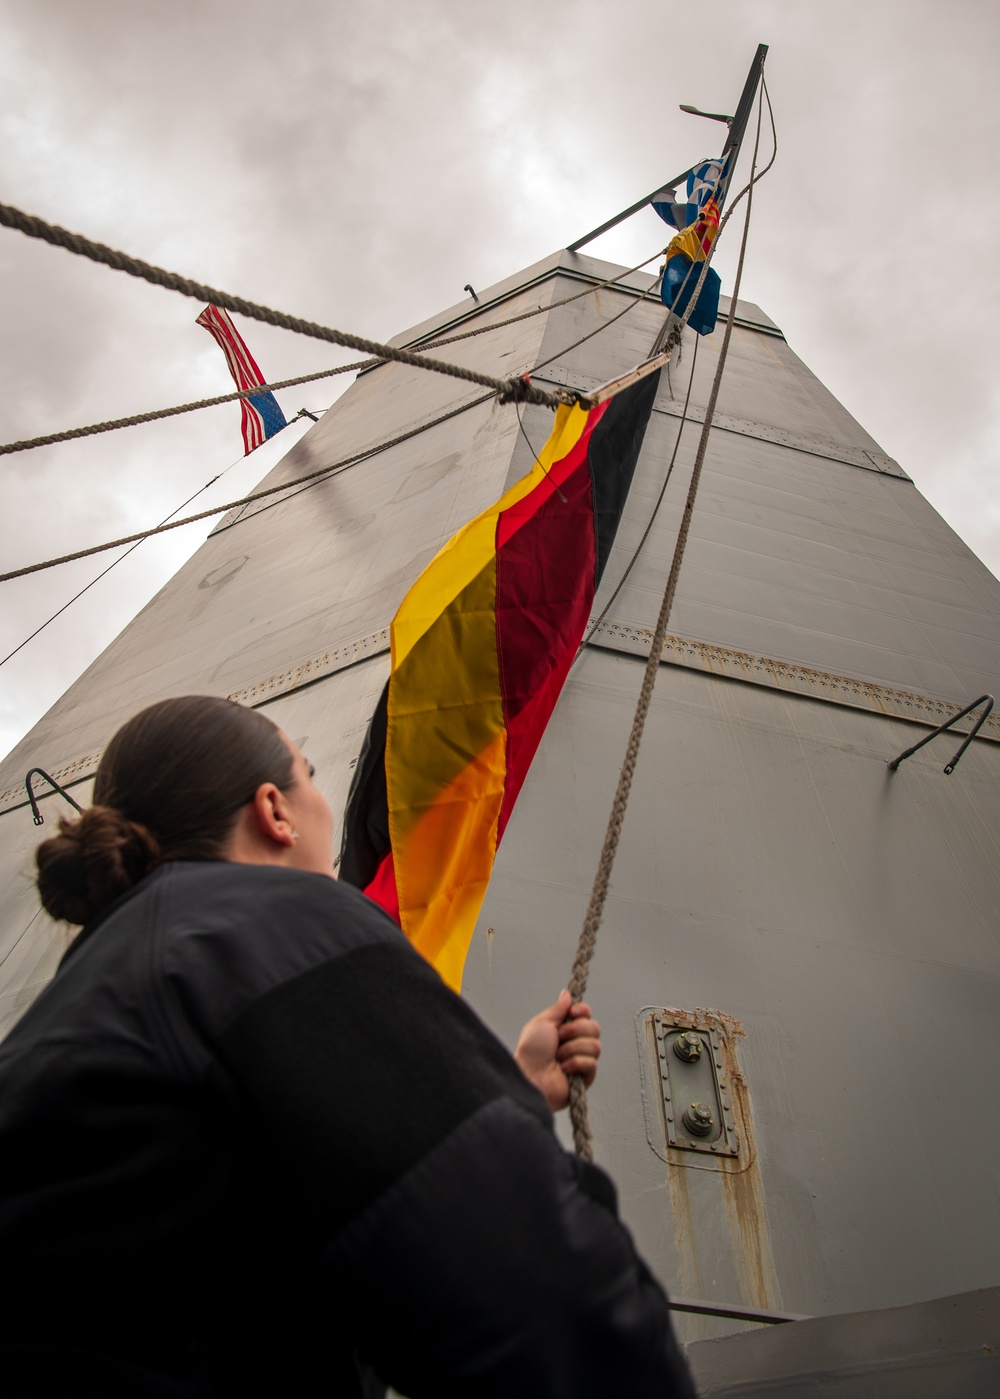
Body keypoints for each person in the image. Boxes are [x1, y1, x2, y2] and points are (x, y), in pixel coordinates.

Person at [0, 695, 696, 1398]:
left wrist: (510, 1087)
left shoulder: (82, 997)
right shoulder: (274, 923)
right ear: (274, 809)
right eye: (309, 773)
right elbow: (537, 1291)